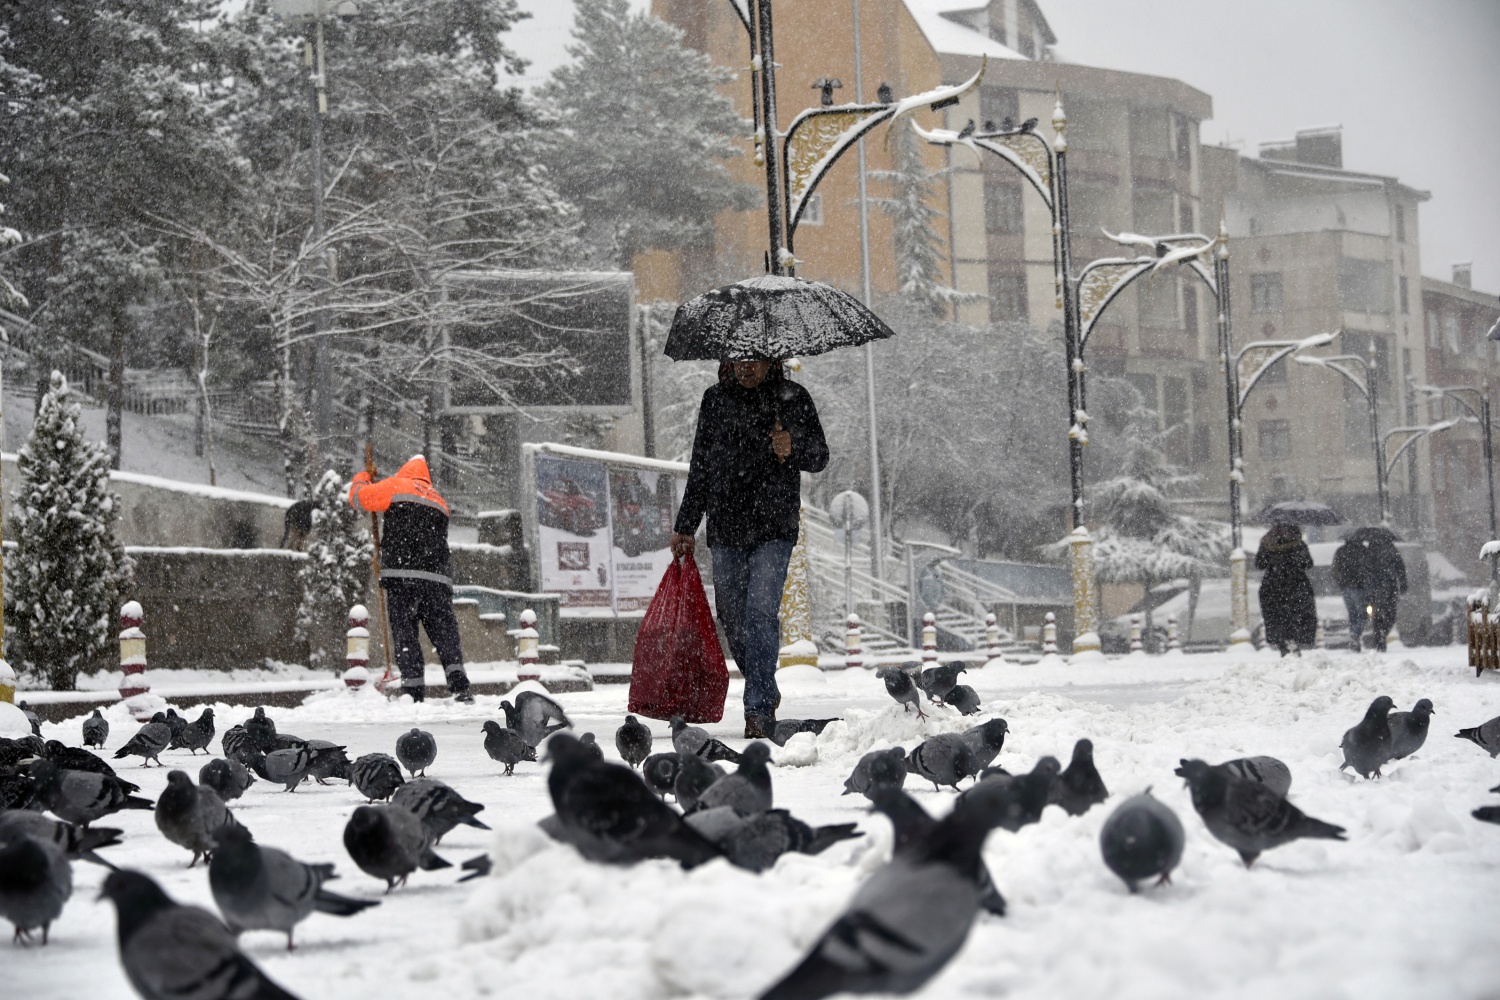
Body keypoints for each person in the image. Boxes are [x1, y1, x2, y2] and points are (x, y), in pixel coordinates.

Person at [670, 359, 829, 738]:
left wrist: (793, 447)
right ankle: (765, 684)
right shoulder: (715, 400)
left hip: (774, 527)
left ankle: (757, 709)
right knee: (732, 616)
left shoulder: (792, 398)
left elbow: (820, 456)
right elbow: (701, 465)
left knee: (760, 612)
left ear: (769, 359)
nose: (744, 368)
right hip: (726, 527)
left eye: (752, 360)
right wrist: (686, 525)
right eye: (737, 360)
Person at [348, 455, 473, 703]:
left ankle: (414, 691)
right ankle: (460, 687)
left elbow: (360, 499)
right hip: (437, 579)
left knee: (406, 635)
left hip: (403, 576)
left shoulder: (397, 485)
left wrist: (362, 478)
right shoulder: (439, 499)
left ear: (405, 470)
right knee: (445, 634)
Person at [1255, 523, 1317, 656]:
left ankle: (1283, 644)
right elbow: (1308, 563)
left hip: (1272, 586)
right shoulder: (1298, 544)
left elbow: (1259, 564)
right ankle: (1294, 640)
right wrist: (1293, 561)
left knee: (1277, 616)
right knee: (1297, 615)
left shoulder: (1267, 543)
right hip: (1296, 584)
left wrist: (1273, 560)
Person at [1362, 530, 1408, 651]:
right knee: (1390, 614)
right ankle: (1382, 634)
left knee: (1376, 615)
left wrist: (1366, 586)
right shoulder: (1392, 550)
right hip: (1390, 587)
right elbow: (1401, 569)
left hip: (1375, 589)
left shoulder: (1369, 551)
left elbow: (1364, 571)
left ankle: (1379, 637)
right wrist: (1403, 585)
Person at [1332, 534, 1371, 651]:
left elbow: (1335, 569)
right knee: (1364, 614)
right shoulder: (1363, 551)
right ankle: (1356, 634)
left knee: (1352, 614)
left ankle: (1354, 638)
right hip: (1359, 587)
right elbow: (1368, 569)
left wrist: (1341, 582)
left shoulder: (1340, 551)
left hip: (1345, 588)